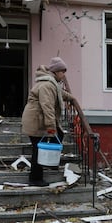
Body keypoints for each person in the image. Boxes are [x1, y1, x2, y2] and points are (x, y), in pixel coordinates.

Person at [21, 57, 75, 186]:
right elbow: (47, 107)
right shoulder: (47, 85)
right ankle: (35, 179)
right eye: (62, 71)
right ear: (56, 72)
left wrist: (71, 98)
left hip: (37, 119)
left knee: (58, 136)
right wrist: (51, 128)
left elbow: (59, 93)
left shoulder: (51, 84)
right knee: (38, 149)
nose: (63, 75)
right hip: (36, 121)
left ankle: (50, 164)